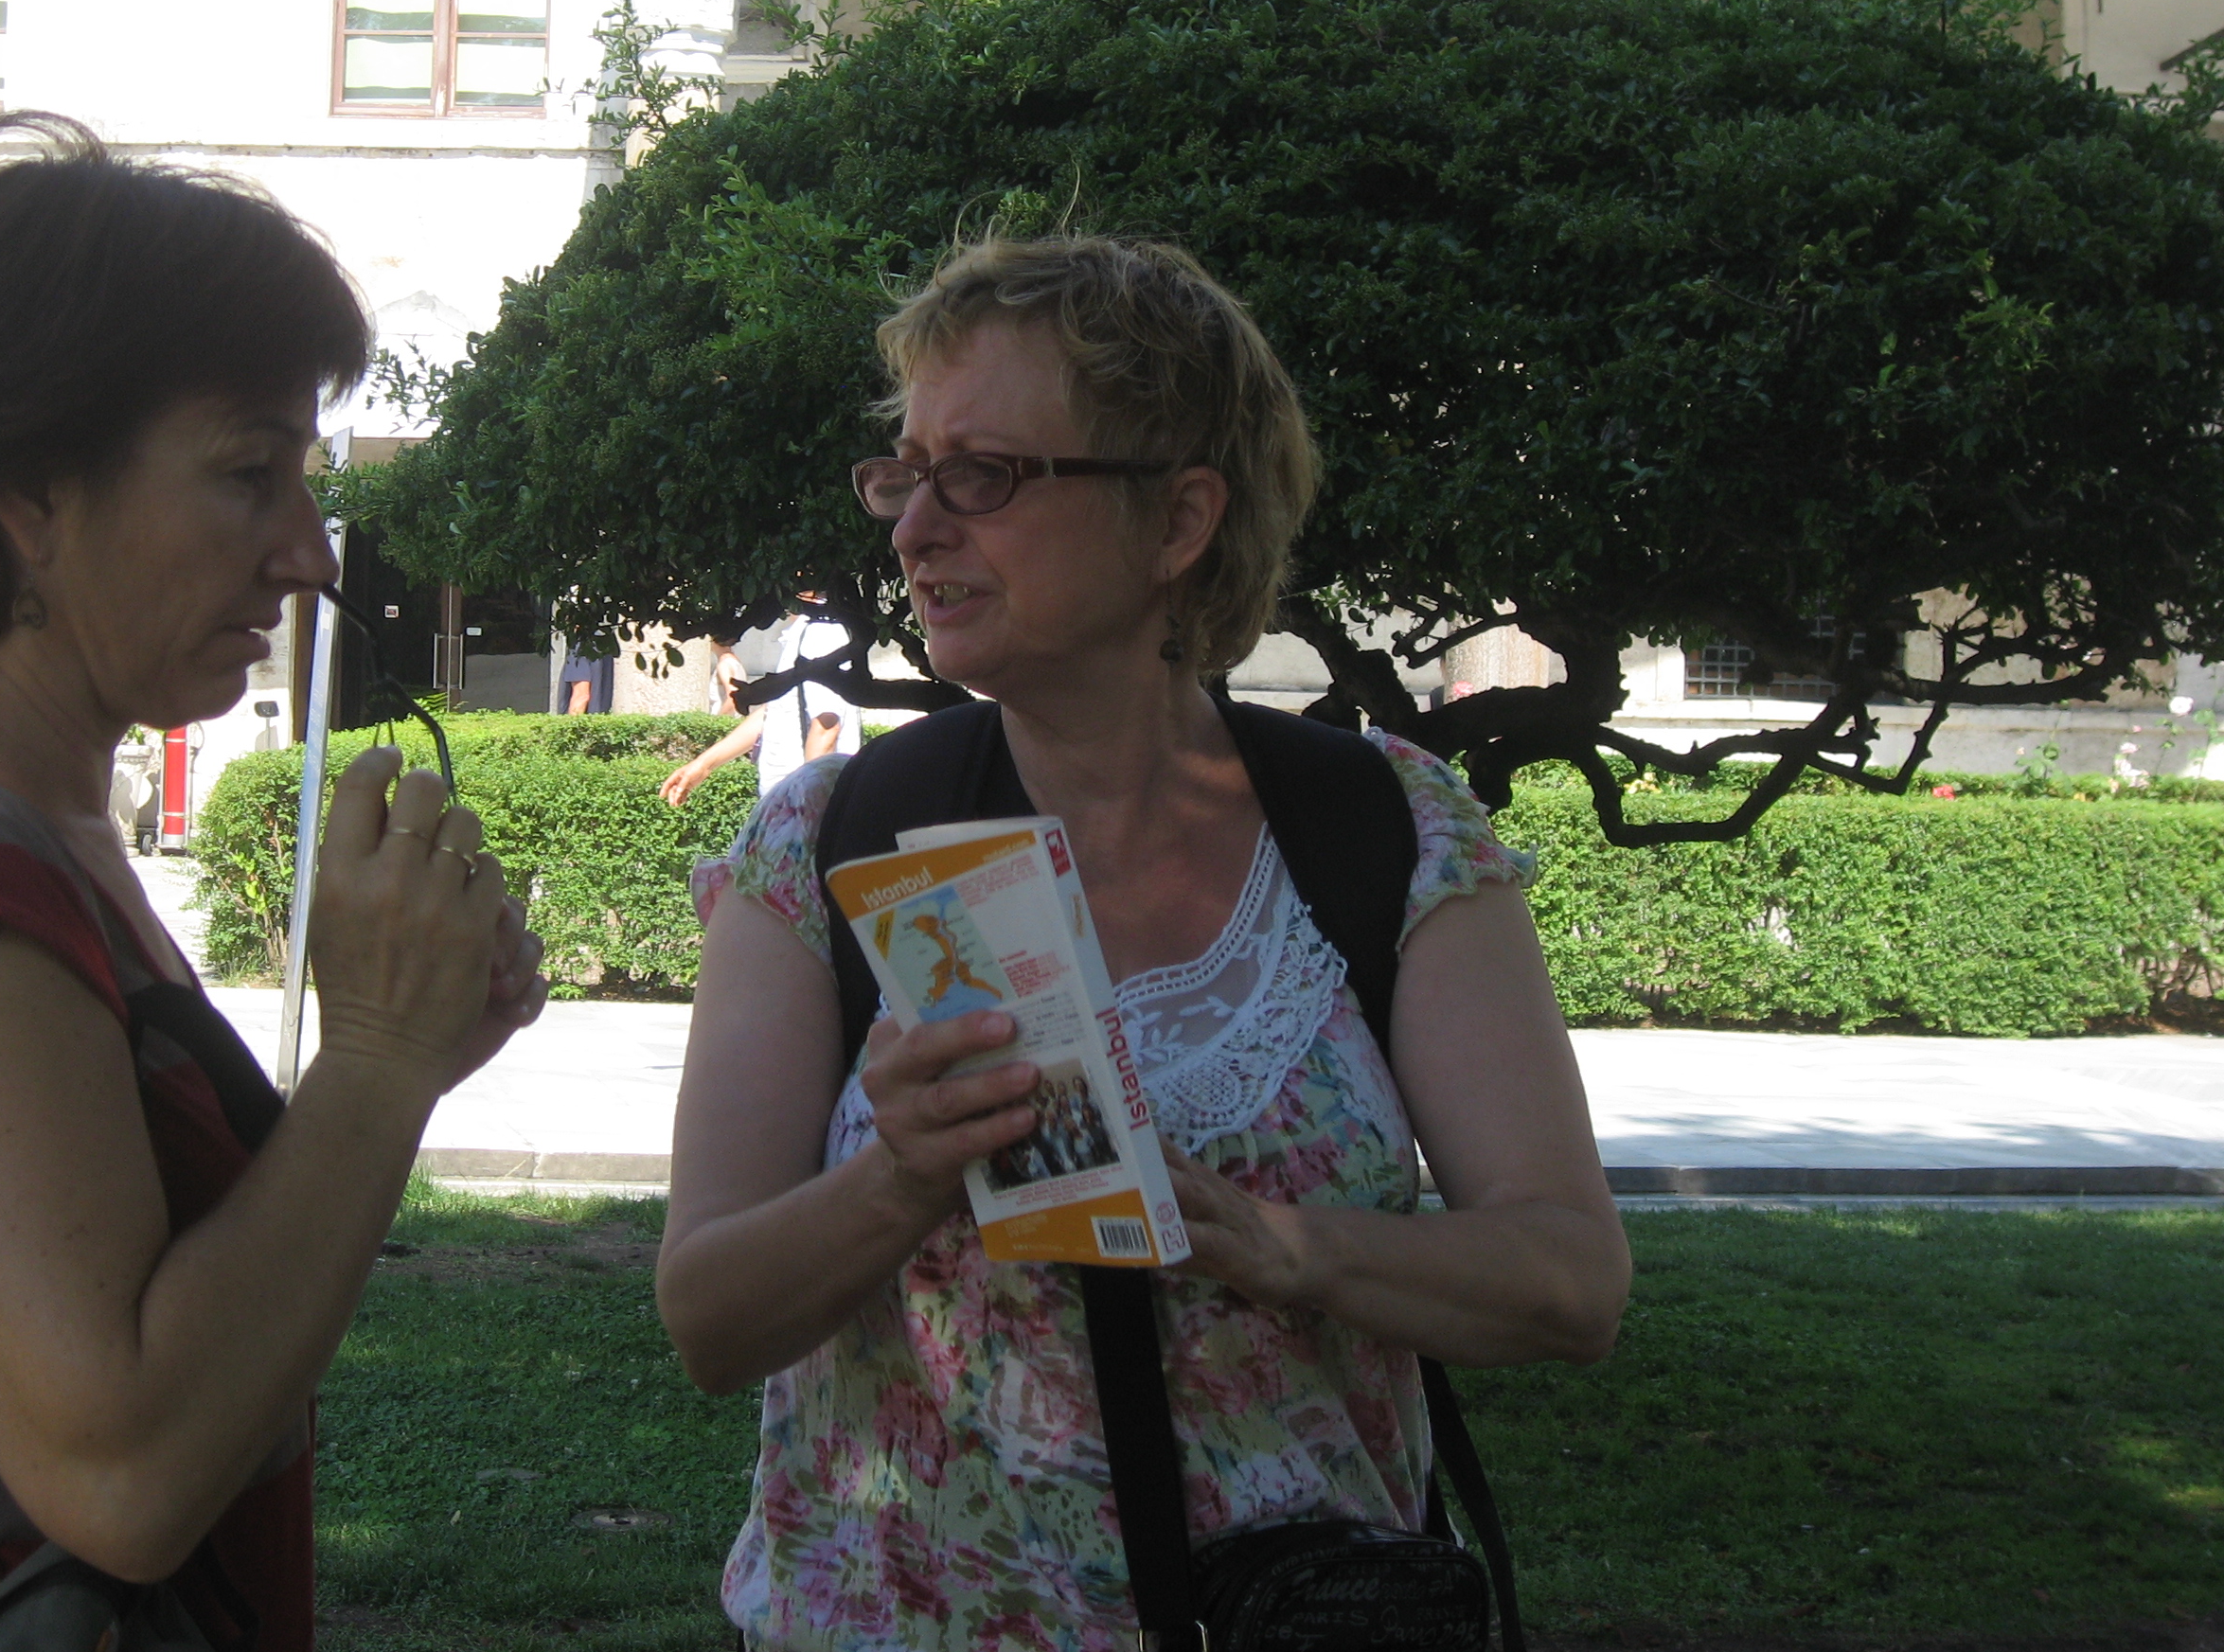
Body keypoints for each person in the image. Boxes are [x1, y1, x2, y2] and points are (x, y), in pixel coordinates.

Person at [656, 237, 1629, 1650]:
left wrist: (1286, 1247)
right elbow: (707, 1318)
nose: (914, 529)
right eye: (905, 474)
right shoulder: (828, 841)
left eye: (981, 475)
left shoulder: (1385, 831)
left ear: (1176, 520)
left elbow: (1570, 1282)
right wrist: (899, 1177)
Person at [0, 112, 548, 1652]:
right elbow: (122, 1470)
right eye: (248, 473)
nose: (310, 554)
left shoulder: (28, 819)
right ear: (30, 495)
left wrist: (412, 1043)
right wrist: (372, 1062)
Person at [657, 596, 863, 807]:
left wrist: (811, 810)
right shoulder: (803, 631)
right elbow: (774, 713)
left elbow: (826, 727)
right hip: (786, 804)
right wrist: (703, 765)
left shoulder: (821, 632)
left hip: (800, 806)